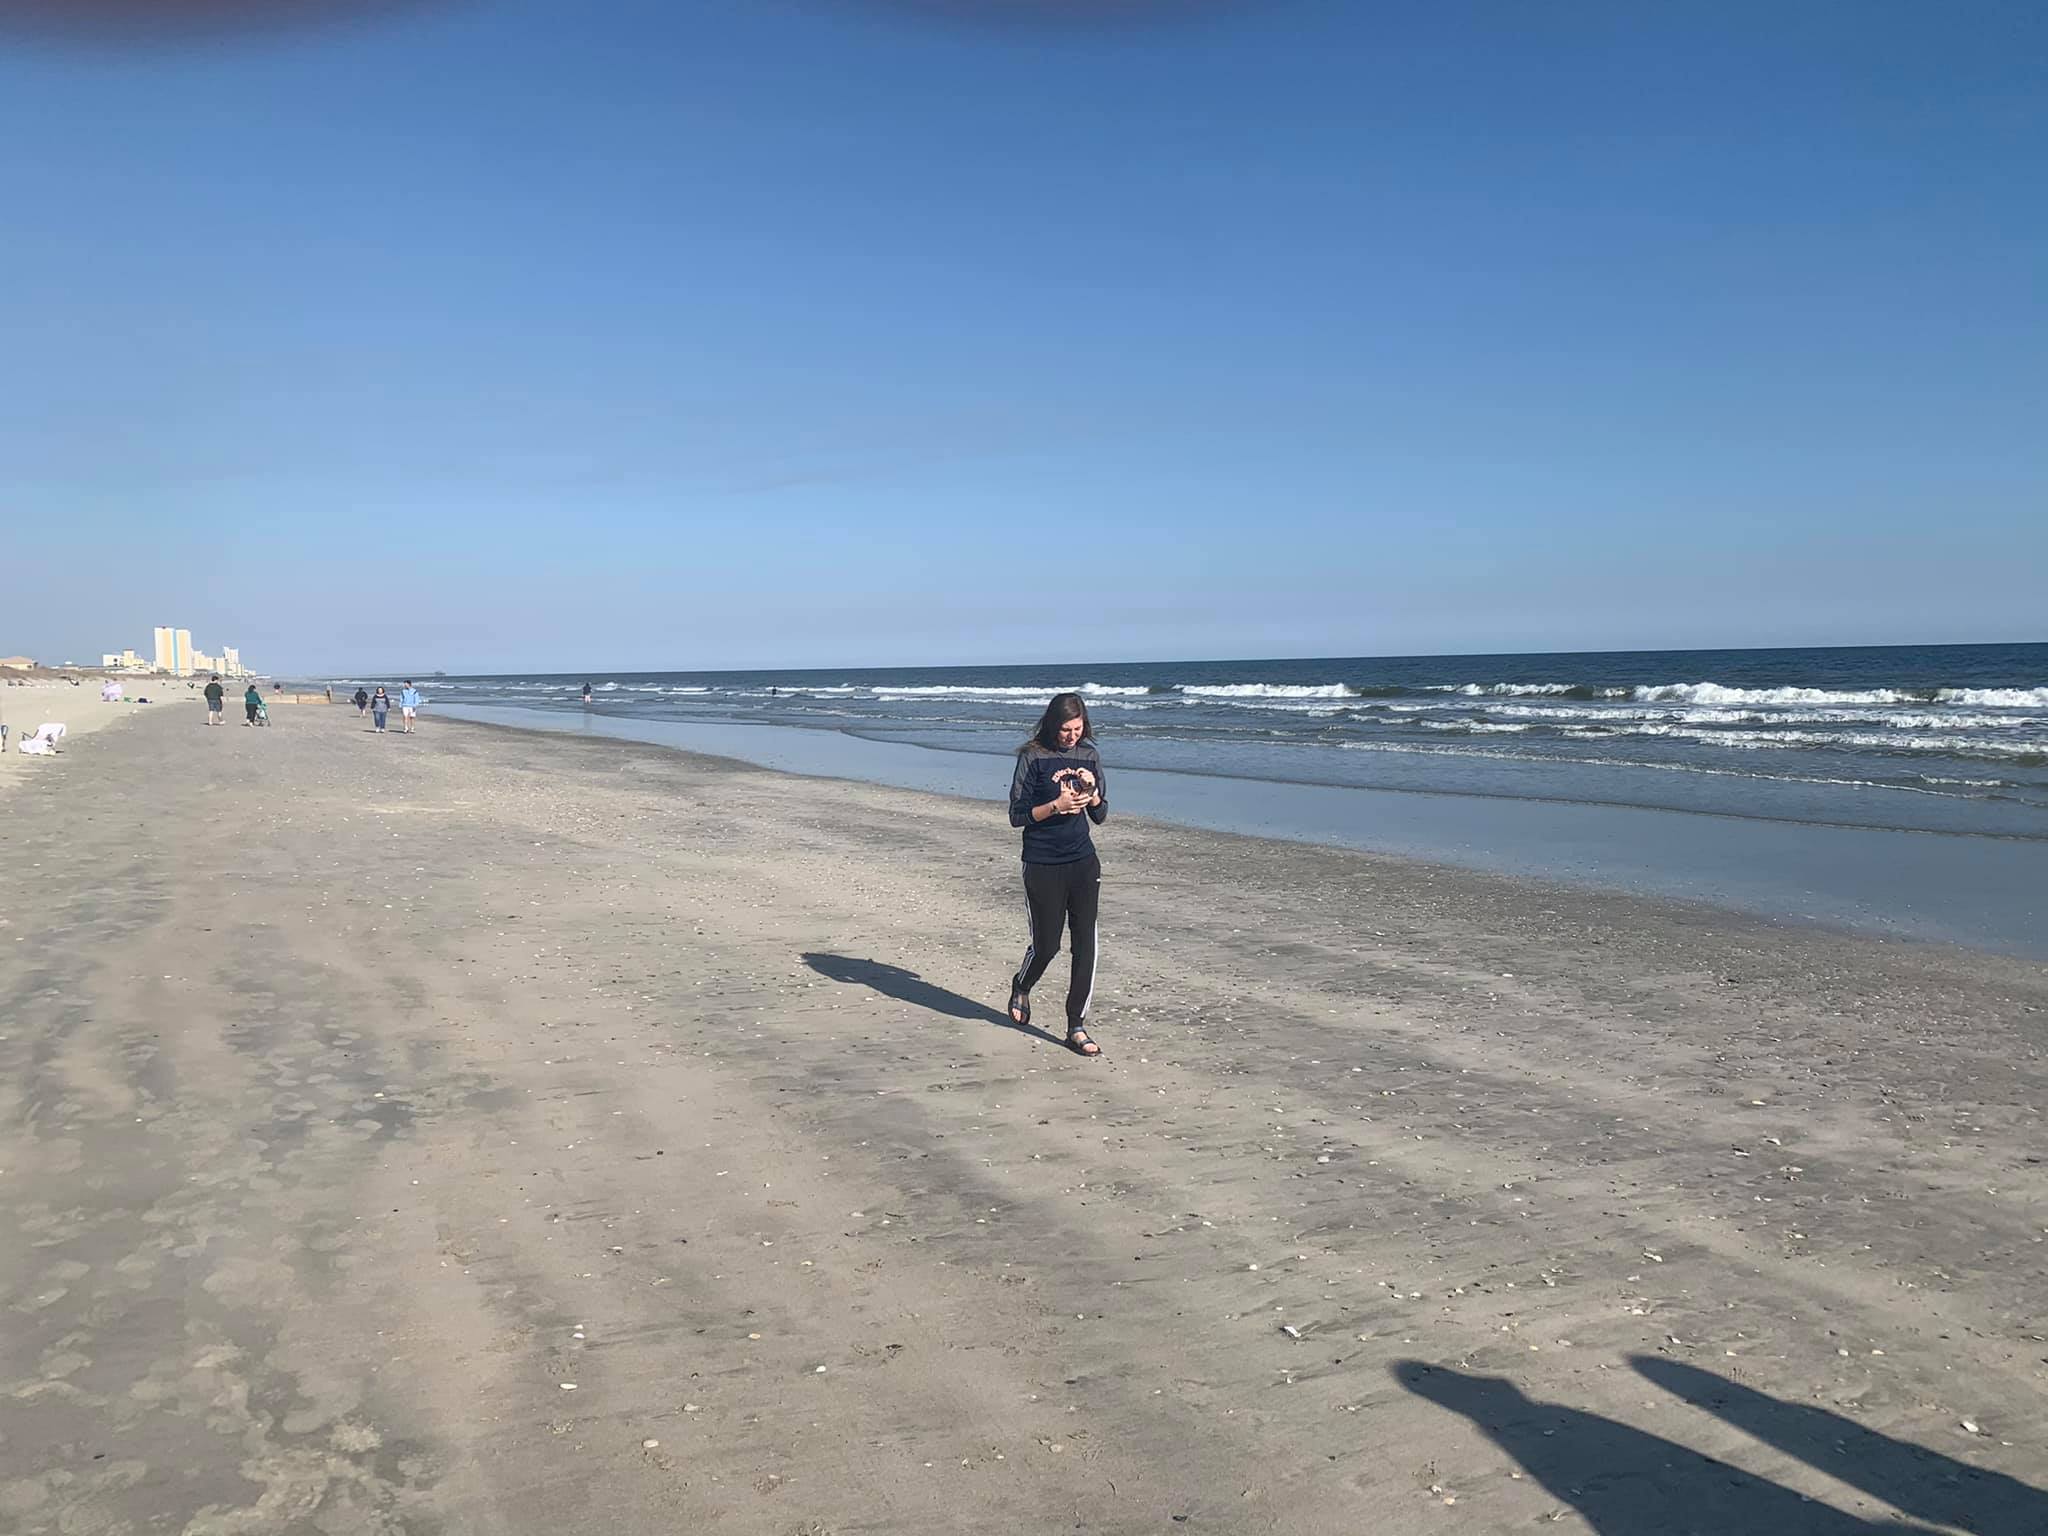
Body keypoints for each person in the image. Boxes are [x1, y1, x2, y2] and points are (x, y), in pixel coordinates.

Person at [1006, 693, 1110, 1057]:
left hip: (1083, 861)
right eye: (1066, 729)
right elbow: (1017, 816)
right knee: (1047, 945)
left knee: (1086, 944)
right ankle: (1022, 984)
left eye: (1078, 729)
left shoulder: (1089, 756)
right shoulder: (1033, 756)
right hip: (1042, 863)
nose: (1072, 736)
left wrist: (1091, 794)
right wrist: (1056, 806)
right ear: (1052, 725)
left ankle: (1076, 1026)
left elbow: (1101, 814)